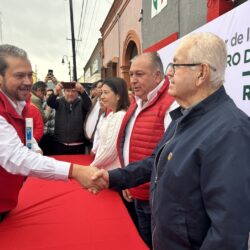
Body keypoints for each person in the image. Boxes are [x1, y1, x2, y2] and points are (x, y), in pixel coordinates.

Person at [90, 32, 250, 249]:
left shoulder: (231, 130)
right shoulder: (185, 115)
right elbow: (155, 161)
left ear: (201, 73)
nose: (169, 74)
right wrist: (113, 177)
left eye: (175, 66)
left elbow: (228, 231)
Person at [0, 44, 103, 222]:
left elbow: (23, 140)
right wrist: (75, 171)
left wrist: (33, 147)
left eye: (28, 75)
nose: (27, 82)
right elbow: (14, 156)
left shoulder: (20, 106)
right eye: (19, 75)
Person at [113, 52, 175, 248]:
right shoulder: (137, 102)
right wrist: (128, 184)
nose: (133, 80)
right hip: (135, 188)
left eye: (139, 74)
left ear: (157, 76)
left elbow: (169, 157)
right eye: (131, 74)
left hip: (156, 198)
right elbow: (126, 141)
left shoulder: (170, 104)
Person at [90, 77, 130, 170]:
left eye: (106, 93)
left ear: (118, 95)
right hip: (105, 168)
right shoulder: (112, 114)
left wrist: (92, 166)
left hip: (112, 170)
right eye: (102, 93)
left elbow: (110, 150)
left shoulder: (120, 116)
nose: (102, 97)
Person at [47, 81, 91, 155]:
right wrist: (56, 91)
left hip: (78, 145)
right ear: (64, 92)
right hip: (60, 143)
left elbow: (88, 104)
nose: (70, 94)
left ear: (77, 92)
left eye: (73, 91)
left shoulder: (81, 103)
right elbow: (50, 102)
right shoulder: (59, 102)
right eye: (68, 91)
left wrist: (82, 91)